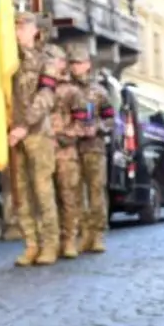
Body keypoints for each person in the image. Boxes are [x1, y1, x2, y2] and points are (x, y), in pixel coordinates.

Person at [9, 12, 61, 267]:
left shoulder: (45, 60)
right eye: (15, 27)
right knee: (20, 193)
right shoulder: (6, 59)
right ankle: (31, 243)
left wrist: (23, 125)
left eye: (22, 27)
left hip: (37, 132)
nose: (17, 32)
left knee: (42, 191)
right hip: (11, 134)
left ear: (34, 31)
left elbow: (46, 97)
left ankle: (49, 244)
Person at [68, 45, 115, 254]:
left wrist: (98, 128)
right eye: (72, 63)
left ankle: (97, 234)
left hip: (94, 147)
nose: (75, 67)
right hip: (71, 147)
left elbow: (111, 119)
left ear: (87, 65)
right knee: (75, 192)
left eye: (78, 63)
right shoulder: (66, 89)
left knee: (96, 192)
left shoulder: (100, 91)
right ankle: (82, 234)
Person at [47, 45, 86, 259]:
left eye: (53, 60)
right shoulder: (41, 87)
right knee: (47, 198)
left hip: (65, 152)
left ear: (62, 64)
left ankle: (69, 239)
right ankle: (51, 241)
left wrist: (65, 136)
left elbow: (82, 121)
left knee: (68, 196)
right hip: (44, 150)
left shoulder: (72, 91)